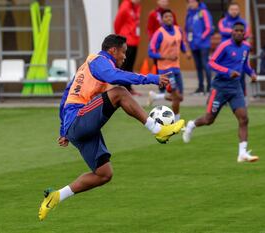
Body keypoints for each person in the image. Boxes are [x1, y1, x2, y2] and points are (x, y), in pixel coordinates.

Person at [38, 34, 185, 220]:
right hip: (78, 119)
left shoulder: (88, 65)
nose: (125, 57)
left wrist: (63, 130)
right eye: (123, 52)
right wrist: (151, 78)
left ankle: (57, 195)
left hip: (76, 126)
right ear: (112, 50)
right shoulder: (100, 61)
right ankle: (158, 130)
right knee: (119, 93)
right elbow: (113, 76)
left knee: (103, 174)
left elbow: (67, 94)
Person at [182, 22, 258, 163]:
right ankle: (191, 125)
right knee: (209, 119)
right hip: (220, 88)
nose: (239, 33)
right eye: (236, 30)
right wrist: (228, 72)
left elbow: (245, 64)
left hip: (235, 88)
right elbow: (211, 63)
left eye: (242, 31)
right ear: (232, 32)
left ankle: (242, 153)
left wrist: (251, 73)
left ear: (245, 33)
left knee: (244, 118)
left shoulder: (246, 47)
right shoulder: (224, 46)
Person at [148, 9, 191, 122]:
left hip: (176, 68)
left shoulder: (178, 30)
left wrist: (186, 52)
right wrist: (166, 57)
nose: (169, 19)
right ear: (162, 19)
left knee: (180, 97)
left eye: (170, 17)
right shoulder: (159, 33)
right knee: (176, 96)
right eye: (166, 17)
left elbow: (181, 44)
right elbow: (151, 52)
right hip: (165, 70)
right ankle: (176, 121)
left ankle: (156, 97)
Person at [147, 0, 178, 100]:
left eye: (166, 0)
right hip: (157, 44)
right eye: (162, 0)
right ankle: (162, 88)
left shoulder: (171, 13)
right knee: (159, 66)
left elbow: (176, 26)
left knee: (170, 67)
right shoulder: (153, 14)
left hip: (169, 44)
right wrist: (154, 42)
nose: (164, 2)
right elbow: (150, 29)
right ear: (158, 2)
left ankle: (165, 91)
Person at [219, 2, 251, 95]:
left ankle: (241, 95)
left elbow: (247, 33)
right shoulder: (223, 21)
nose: (234, 11)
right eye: (232, 9)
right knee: (225, 73)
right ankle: (223, 96)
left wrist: (232, 32)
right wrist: (237, 32)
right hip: (226, 53)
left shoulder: (243, 22)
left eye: (236, 9)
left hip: (239, 51)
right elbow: (222, 30)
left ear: (239, 10)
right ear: (228, 11)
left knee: (240, 74)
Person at [185, 0, 213, 95]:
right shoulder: (189, 14)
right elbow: (187, 29)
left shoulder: (203, 12)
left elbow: (209, 28)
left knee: (205, 65)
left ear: (197, 2)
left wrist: (201, 38)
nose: (191, 4)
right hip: (193, 45)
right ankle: (200, 87)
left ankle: (209, 87)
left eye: (193, 2)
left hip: (203, 44)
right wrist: (188, 41)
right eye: (189, 2)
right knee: (198, 67)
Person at [114, 0, 141, 95]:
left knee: (130, 66)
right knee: (124, 66)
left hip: (134, 40)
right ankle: (122, 88)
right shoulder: (125, 6)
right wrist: (120, 38)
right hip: (126, 40)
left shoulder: (137, 7)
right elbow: (117, 22)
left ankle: (128, 88)